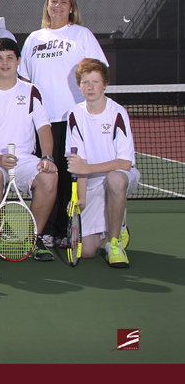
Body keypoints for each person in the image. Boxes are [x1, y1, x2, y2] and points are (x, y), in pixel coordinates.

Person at [19, 0, 108, 246]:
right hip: (42, 122)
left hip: (73, 120)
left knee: (73, 177)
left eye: (63, 2)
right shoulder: (34, 39)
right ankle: (45, 231)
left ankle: (70, 230)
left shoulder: (82, 35)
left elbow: (99, 73)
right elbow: (24, 80)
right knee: (47, 175)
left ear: (71, 8)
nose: (57, 6)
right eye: (53, 1)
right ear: (47, 5)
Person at [0, 38, 58, 261]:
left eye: (10, 58)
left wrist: (47, 157)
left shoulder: (32, 92)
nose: (5, 63)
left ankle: (33, 238)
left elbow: (44, 129)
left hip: (25, 160)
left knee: (49, 177)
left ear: (18, 61)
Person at [66, 59, 138, 267]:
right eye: (85, 82)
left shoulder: (117, 113)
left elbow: (125, 162)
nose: (90, 87)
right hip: (91, 182)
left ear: (105, 83)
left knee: (115, 179)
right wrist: (81, 198)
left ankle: (114, 243)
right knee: (87, 251)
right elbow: (79, 163)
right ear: (79, 85)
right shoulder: (74, 115)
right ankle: (115, 223)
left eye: (95, 82)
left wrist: (86, 168)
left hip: (121, 176)